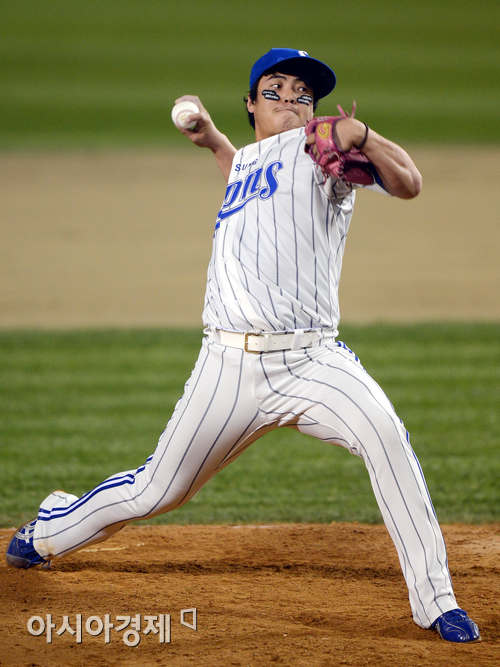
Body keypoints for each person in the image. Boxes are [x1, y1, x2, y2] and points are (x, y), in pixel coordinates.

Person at [7, 48, 480, 643]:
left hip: (312, 361)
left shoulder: (323, 155)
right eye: (275, 90)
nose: (291, 102)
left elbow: (409, 184)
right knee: (158, 490)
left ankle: (436, 601)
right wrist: (213, 141)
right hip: (226, 366)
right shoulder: (249, 162)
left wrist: (361, 134)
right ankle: (51, 528)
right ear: (252, 104)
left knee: (386, 437)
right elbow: (253, 175)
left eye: (303, 94)